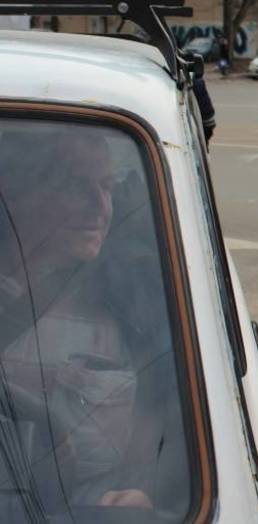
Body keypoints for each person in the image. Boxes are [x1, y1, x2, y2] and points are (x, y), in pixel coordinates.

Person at [0, 126, 190, 516]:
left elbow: (177, 414)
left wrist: (146, 490)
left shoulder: (140, 293)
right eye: (75, 186)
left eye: (107, 187)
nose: (101, 207)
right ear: (15, 193)